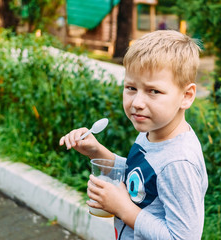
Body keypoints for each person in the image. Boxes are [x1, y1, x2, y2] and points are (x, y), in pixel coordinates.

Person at [59, 30, 208, 240]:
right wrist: (97, 151)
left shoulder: (178, 163)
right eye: (131, 87)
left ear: (186, 96)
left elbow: (183, 238)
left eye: (153, 91)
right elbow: (141, 178)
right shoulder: (151, 132)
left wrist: (123, 208)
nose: (137, 103)